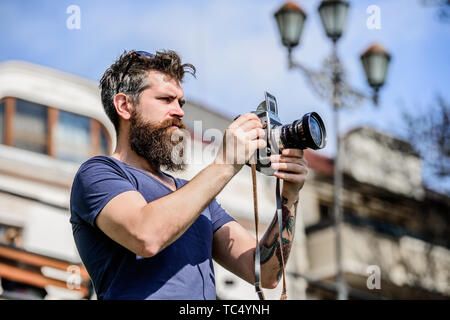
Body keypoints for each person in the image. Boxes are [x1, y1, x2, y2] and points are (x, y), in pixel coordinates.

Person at [70, 50, 308, 300]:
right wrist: (225, 164)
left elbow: (264, 273)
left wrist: (290, 195)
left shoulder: (194, 194)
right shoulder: (98, 173)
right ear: (124, 105)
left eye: (181, 103)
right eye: (166, 99)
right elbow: (146, 236)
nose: (179, 112)